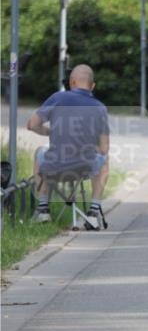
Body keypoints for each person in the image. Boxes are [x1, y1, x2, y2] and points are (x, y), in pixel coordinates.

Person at [27, 64, 110, 230]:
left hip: (55, 167)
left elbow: (32, 125)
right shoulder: (100, 108)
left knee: (39, 153)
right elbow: (104, 148)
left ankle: (43, 208)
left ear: (71, 82)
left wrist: (50, 132)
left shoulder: (57, 98)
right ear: (92, 86)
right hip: (84, 168)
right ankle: (93, 213)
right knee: (105, 160)